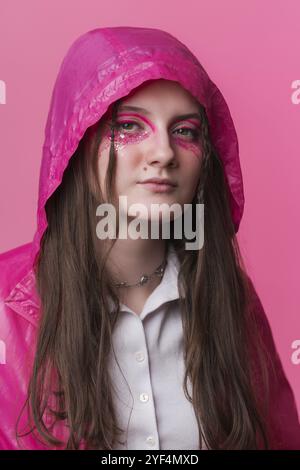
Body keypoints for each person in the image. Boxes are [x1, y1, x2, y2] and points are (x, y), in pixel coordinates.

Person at [0, 26, 299, 451]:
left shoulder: (230, 297)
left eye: (186, 131)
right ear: (74, 142)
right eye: (128, 126)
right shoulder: (8, 307)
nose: (163, 153)